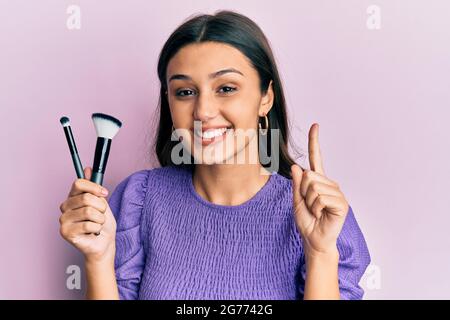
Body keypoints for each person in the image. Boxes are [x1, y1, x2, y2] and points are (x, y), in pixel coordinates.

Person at [59, 10, 370, 300]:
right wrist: (97, 259)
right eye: (185, 92)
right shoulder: (137, 202)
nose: (203, 111)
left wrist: (320, 254)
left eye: (226, 88)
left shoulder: (317, 214)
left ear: (266, 98)